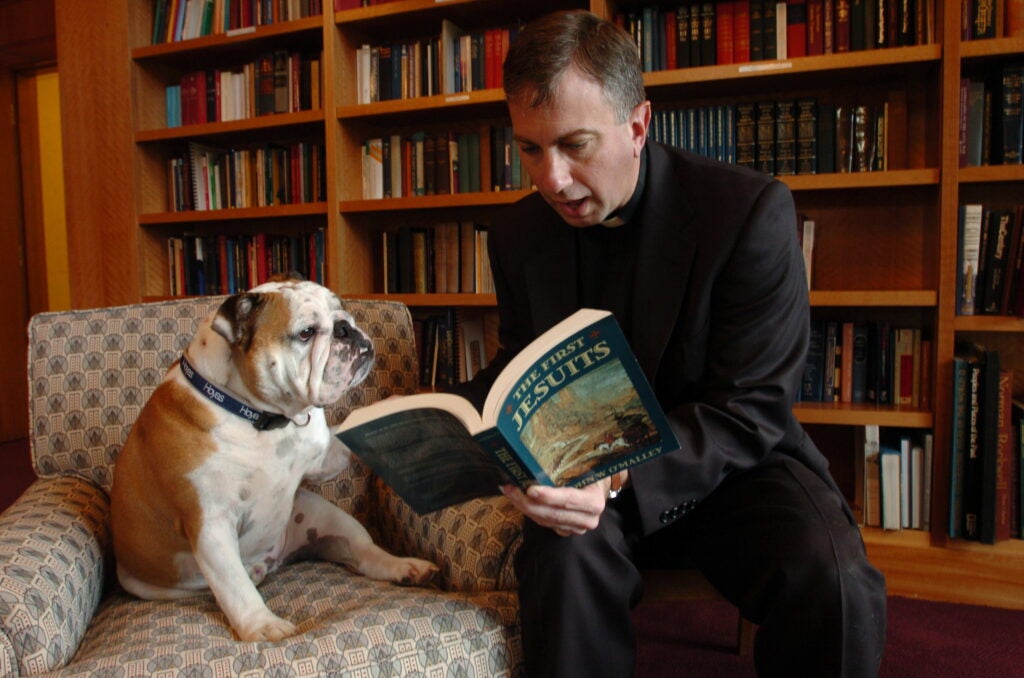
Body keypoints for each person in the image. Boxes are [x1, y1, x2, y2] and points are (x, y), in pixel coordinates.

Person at [448, 9, 888, 677]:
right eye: (530, 149)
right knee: (562, 559)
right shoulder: (517, 234)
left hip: (733, 466)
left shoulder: (748, 211)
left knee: (835, 583)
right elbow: (520, 362)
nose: (551, 179)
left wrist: (623, 473)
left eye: (575, 144)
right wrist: (453, 418)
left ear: (638, 125)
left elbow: (753, 410)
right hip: (585, 467)